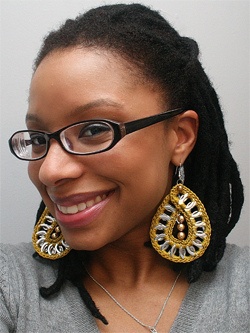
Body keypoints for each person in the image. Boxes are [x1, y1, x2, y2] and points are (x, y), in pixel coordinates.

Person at [1, 3, 248, 333]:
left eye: (93, 130)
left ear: (179, 137)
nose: (49, 171)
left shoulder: (241, 291)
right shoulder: (10, 286)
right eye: (37, 137)